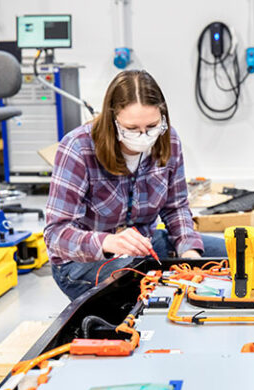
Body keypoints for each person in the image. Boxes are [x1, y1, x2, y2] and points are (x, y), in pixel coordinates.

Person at [45, 70, 226, 300]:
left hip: (144, 248)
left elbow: (175, 208)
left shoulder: (168, 140)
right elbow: (56, 234)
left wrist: (188, 252)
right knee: (137, 277)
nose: (144, 136)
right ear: (113, 120)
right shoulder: (78, 148)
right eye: (132, 129)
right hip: (81, 261)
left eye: (152, 126)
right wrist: (108, 242)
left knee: (227, 255)